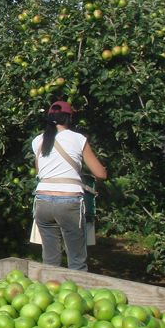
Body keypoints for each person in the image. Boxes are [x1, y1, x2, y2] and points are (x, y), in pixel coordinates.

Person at [32, 101, 107, 271]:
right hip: (69, 201)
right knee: (76, 260)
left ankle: (50, 291)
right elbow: (100, 173)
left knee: (50, 260)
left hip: (42, 201)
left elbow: (40, 170)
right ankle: (77, 292)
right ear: (69, 118)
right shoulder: (78, 139)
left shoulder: (37, 141)